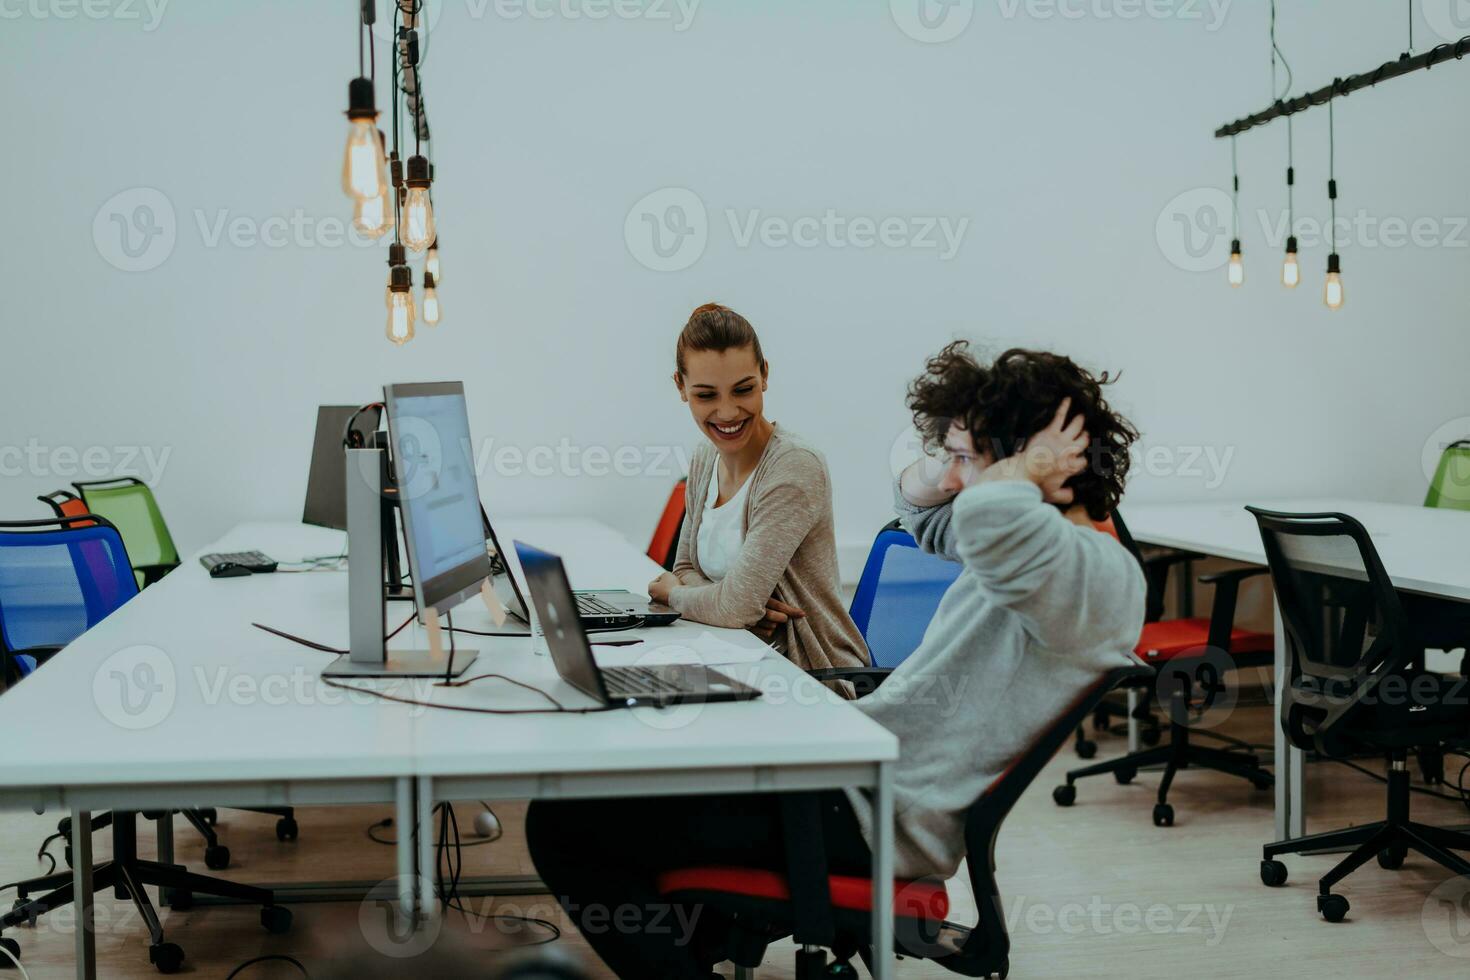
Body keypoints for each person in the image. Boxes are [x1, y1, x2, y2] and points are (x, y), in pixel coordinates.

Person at [525, 341, 1146, 978]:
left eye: (969, 460)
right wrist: (965, 459)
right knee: (623, 787)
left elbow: (988, 519)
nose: (955, 478)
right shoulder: (1035, 547)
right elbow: (922, 511)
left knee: (567, 824)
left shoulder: (1091, 575)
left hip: (871, 817)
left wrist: (1019, 466)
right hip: (849, 778)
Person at [645, 303, 868, 678]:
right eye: (706, 395)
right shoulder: (704, 457)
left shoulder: (794, 466)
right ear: (680, 387)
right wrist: (733, 601)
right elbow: (685, 568)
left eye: (743, 389)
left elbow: (724, 602)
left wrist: (676, 596)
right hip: (729, 655)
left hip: (810, 675)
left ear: (765, 375)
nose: (728, 412)